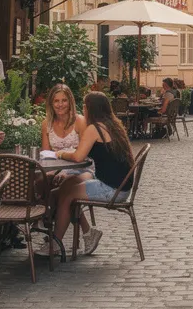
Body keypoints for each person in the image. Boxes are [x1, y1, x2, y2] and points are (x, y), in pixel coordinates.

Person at [52, 93, 137, 256]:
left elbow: (78, 157)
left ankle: (55, 244)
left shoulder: (94, 128)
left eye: (85, 106)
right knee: (67, 186)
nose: (83, 109)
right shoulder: (112, 125)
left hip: (111, 189)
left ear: (90, 108)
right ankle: (88, 233)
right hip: (121, 187)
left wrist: (61, 154)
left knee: (66, 194)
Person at [42, 83, 90, 179]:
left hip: (80, 168)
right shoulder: (46, 124)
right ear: (51, 103)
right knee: (40, 181)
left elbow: (84, 155)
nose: (60, 105)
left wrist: (61, 156)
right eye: (56, 101)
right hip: (55, 169)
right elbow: (46, 155)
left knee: (64, 180)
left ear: (70, 102)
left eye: (64, 100)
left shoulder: (80, 121)